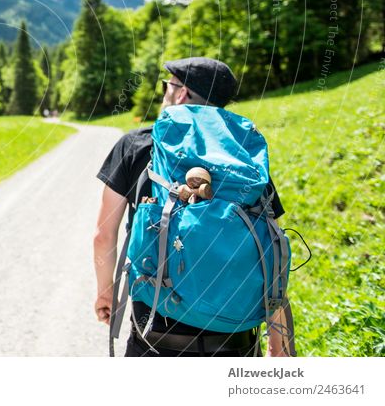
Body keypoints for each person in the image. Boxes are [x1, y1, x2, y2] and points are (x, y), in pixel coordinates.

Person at [93, 57, 294, 357]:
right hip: (234, 341)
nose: (164, 93)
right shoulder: (244, 160)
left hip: (155, 339)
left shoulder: (136, 145)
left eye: (166, 86)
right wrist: (279, 344)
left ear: (182, 93)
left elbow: (103, 235)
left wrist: (105, 291)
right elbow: (271, 246)